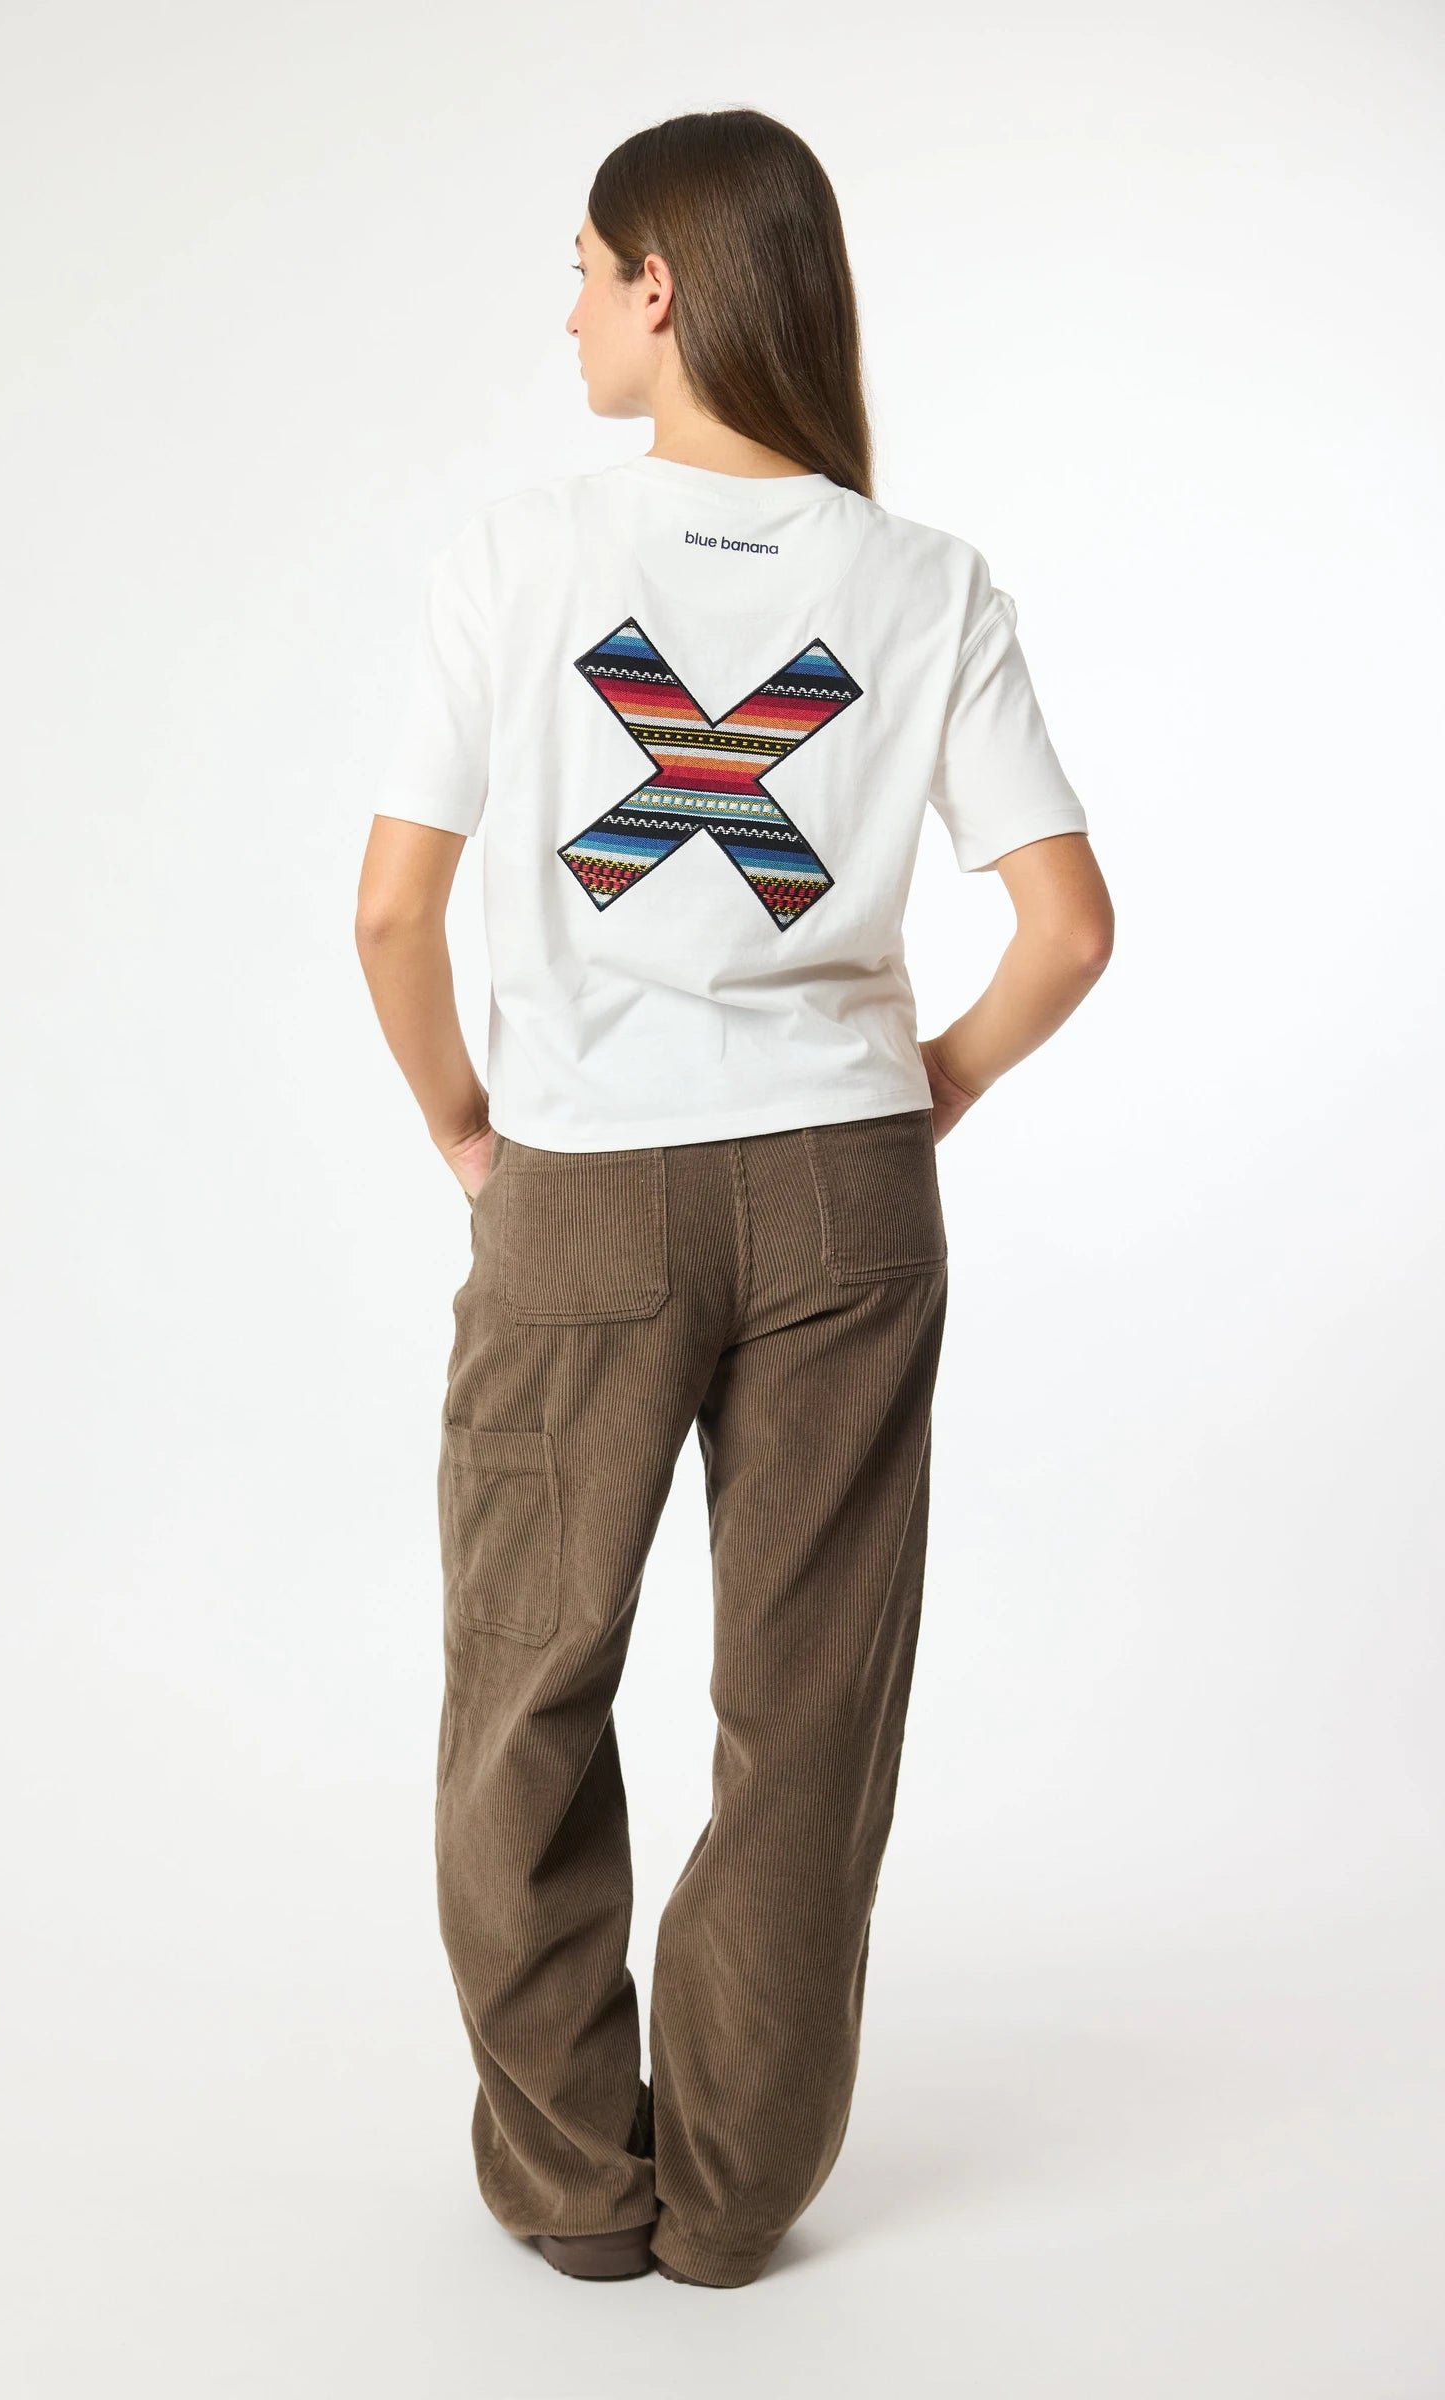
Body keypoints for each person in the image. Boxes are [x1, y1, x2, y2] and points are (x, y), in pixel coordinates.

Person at [354, 106, 1114, 2291]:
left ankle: (575, 2184)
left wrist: (464, 1129)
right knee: (808, 1715)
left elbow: (390, 915)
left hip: (579, 1188)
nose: (570, 313)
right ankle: (736, 2196)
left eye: (585, 271)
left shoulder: (518, 559)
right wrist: (925, 1089)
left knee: (522, 1688)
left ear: (663, 287)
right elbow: (1065, 928)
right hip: (845, 1198)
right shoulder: (923, 582)